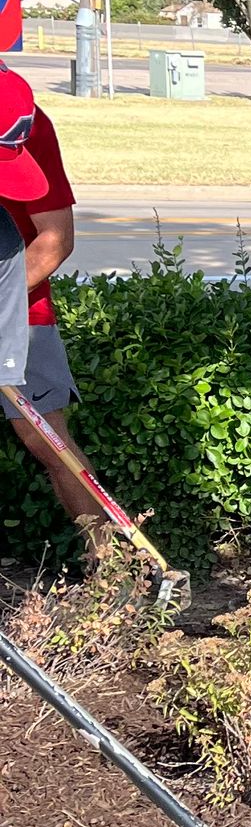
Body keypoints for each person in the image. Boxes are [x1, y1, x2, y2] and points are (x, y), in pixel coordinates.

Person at [0, 69, 106, 558]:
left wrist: (5, 301)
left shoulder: (27, 124)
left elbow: (54, 241)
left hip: (17, 309)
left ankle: (111, 565)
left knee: (47, 440)